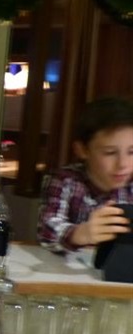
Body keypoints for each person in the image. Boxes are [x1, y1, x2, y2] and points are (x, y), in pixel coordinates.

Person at [38, 97, 133, 252]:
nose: (123, 164)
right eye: (110, 152)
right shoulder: (65, 180)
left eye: (132, 152)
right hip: (67, 266)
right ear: (82, 150)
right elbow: (47, 232)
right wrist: (81, 234)